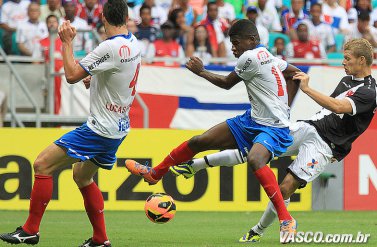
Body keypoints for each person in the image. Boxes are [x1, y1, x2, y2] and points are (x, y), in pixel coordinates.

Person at [170, 38, 377, 243]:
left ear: (361, 60)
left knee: (285, 187)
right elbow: (330, 112)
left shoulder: (370, 92)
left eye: (347, 59)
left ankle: (258, 230)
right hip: (310, 127)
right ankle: (195, 166)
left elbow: (338, 107)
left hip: (325, 145)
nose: (343, 62)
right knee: (257, 149)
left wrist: (306, 89)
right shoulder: (347, 80)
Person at [126, 19, 300, 242]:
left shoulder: (251, 56)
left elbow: (227, 83)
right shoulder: (269, 56)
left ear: (252, 40)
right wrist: (286, 106)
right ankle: (155, 173)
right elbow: (296, 74)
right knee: (200, 141)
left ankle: (286, 218)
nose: (233, 48)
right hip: (252, 120)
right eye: (231, 43)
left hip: (273, 127)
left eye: (236, 43)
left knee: (256, 160)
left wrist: (200, 71)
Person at [0, 0, 141, 246]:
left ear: (104, 18)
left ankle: (30, 230)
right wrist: (95, 81)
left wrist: (66, 42)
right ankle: (100, 239)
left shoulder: (109, 47)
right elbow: (116, 74)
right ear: (126, 18)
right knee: (81, 175)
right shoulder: (133, 43)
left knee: (42, 164)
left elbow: (72, 75)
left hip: (99, 129)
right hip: (118, 129)